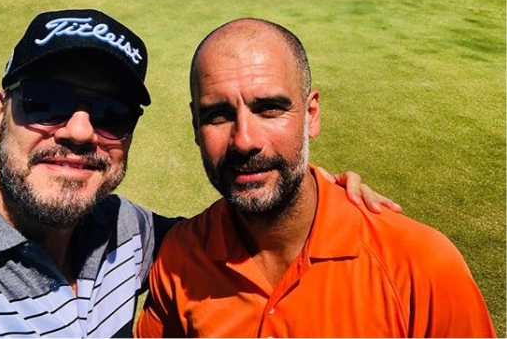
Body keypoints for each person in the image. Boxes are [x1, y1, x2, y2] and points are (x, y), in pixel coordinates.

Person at [0, 9, 399, 339]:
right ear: (0, 110)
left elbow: (238, 227)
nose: (80, 131)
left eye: (112, 113)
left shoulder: (129, 232)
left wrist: (325, 193)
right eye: (46, 102)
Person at [135, 17, 496, 338]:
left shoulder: (422, 264)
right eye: (218, 115)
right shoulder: (178, 259)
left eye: (269, 109)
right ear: (195, 126)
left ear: (311, 115)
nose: (244, 140)